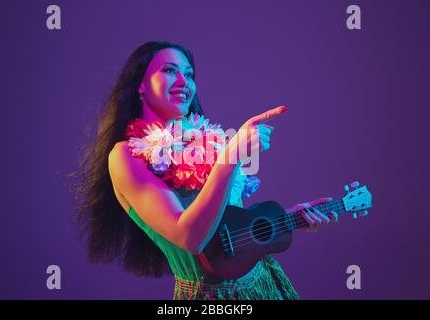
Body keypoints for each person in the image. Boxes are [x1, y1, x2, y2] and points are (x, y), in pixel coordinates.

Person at [72, 40, 338, 300]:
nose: (183, 81)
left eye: (189, 74)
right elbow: (191, 238)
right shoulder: (126, 156)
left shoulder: (210, 139)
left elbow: (228, 230)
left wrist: (287, 219)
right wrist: (231, 155)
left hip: (265, 283)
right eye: (169, 70)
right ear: (140, 85)